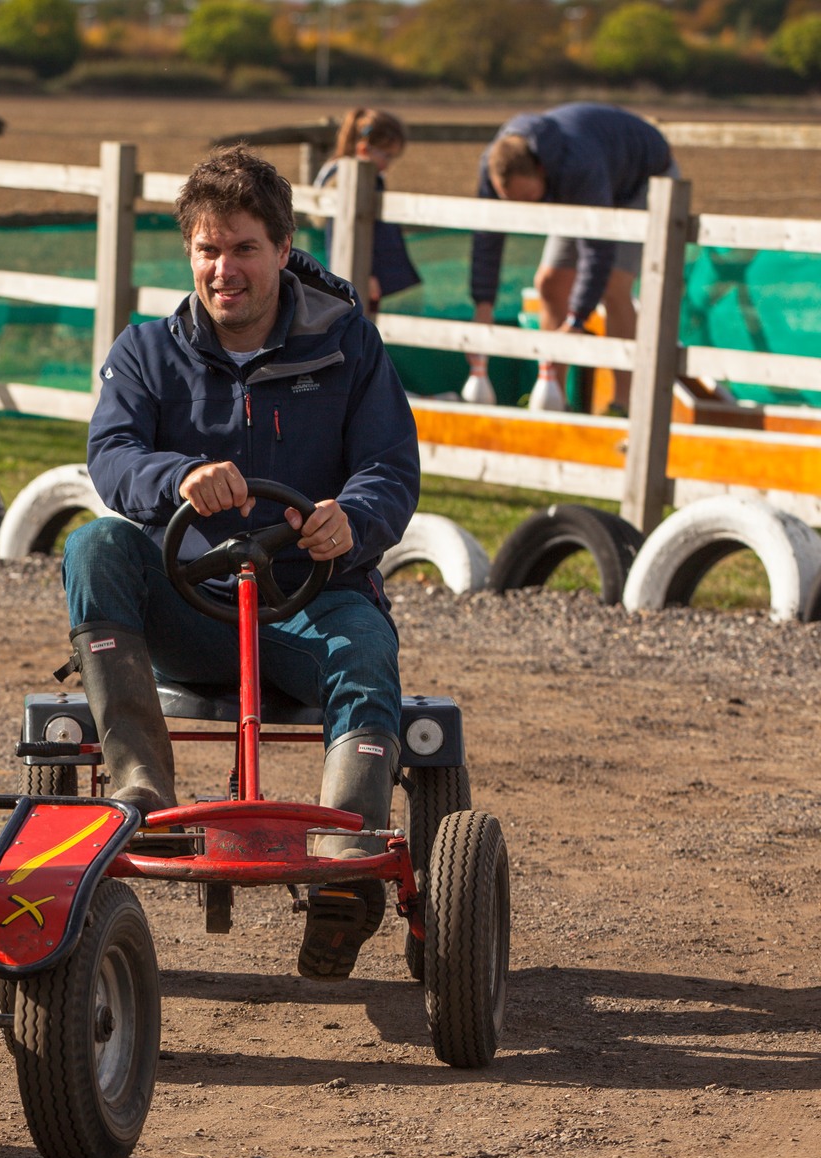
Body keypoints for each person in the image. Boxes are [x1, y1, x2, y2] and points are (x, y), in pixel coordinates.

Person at [61, 146, 420, 981]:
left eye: (245, 248)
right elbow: (110, 456)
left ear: (285, 246)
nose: (225, 270)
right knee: (93, 545)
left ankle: (346, 854)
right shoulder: (149, 350)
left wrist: (351, 519)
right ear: (189, 253)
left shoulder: (347, 345)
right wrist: (175, 476)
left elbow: (390, 468)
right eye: (207, 250)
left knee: (368, 650)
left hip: (308, 598)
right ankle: (143, 788)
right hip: (191, 604)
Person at [466, 102, 674, 412]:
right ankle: (553, 397)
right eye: (513, 201)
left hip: (641, 181)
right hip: (585, 185)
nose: (523, 209)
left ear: (540, 170)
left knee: (614, 286)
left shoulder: (578, 165)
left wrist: (578, 317)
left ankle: (625, 404)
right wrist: (483, 305)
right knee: (549, 283)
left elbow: (597, 247)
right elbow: (488, 235)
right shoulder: (494, 165)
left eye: (528, 199)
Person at [310, 108, 419, 316]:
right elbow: (347, 234)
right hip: (360, 274)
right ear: (364, 149)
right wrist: (368, 274)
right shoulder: (350, 181)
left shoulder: (356, 176)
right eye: (386, 155)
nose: (388, 164)